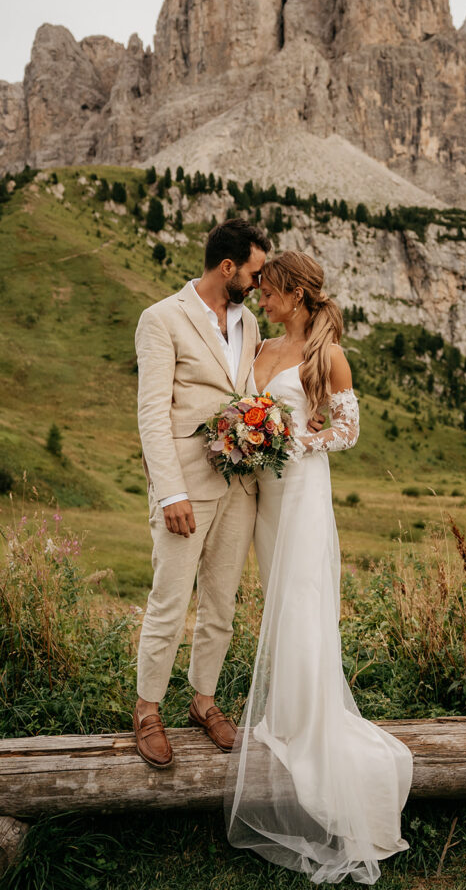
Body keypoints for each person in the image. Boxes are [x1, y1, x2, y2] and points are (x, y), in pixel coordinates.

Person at [225, 250, 413, 885]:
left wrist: (286, 439)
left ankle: (306, 722)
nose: (262, 300)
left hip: (302, 489)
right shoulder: (261, 349)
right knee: (276, 599)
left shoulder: (326, 354)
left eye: (272, 293)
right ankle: (284, 709)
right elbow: (246, 405)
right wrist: (247, 433)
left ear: (299, 294)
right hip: (267, 494)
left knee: (301, 596)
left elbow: (346, 430)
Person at [132, 218, 270, 768]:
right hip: (186, 485)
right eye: (255, 273)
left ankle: (204, 701)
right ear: (228, 267)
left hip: (242, 486)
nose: (260, 283)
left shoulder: (251, 323)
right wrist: (170, 493)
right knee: (169, 600)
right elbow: (151, 415)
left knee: (221, 603)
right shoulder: (161, 318)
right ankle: (147, 709)